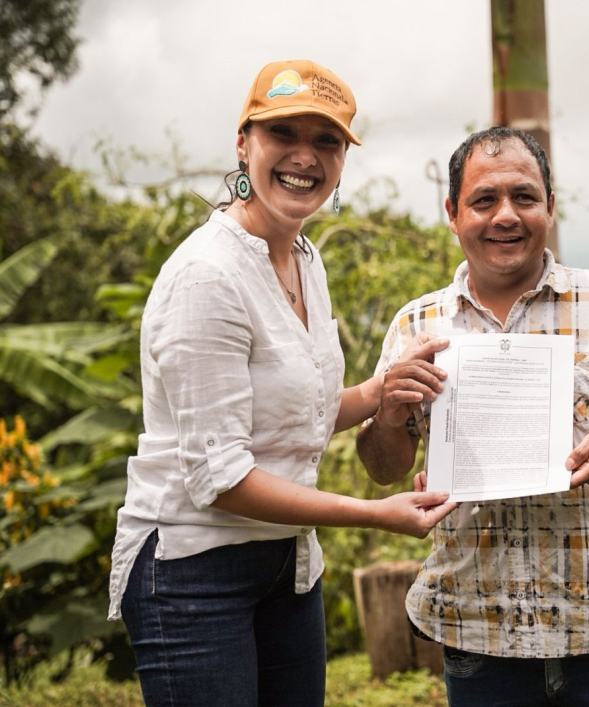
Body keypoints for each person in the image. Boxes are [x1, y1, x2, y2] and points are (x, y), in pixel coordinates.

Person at [107, 60, 455, 707]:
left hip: (288, 565)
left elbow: (305, 414)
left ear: (343, 159)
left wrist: (384, 388)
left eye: (326, 141)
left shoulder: (303, 258)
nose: (305, 157)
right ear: (244, 143)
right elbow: (222, 476)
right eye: (283, 134)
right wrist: (374, 515)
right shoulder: (208, 277)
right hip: (192, 569)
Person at [356, 126, 589, 707]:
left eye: (523, 197)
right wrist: (390, 419)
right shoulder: (416, 326)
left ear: (549, 204)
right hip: (478, 635)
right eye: (484, 200)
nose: (505, 216)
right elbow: (384, 470)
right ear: (452, 212)